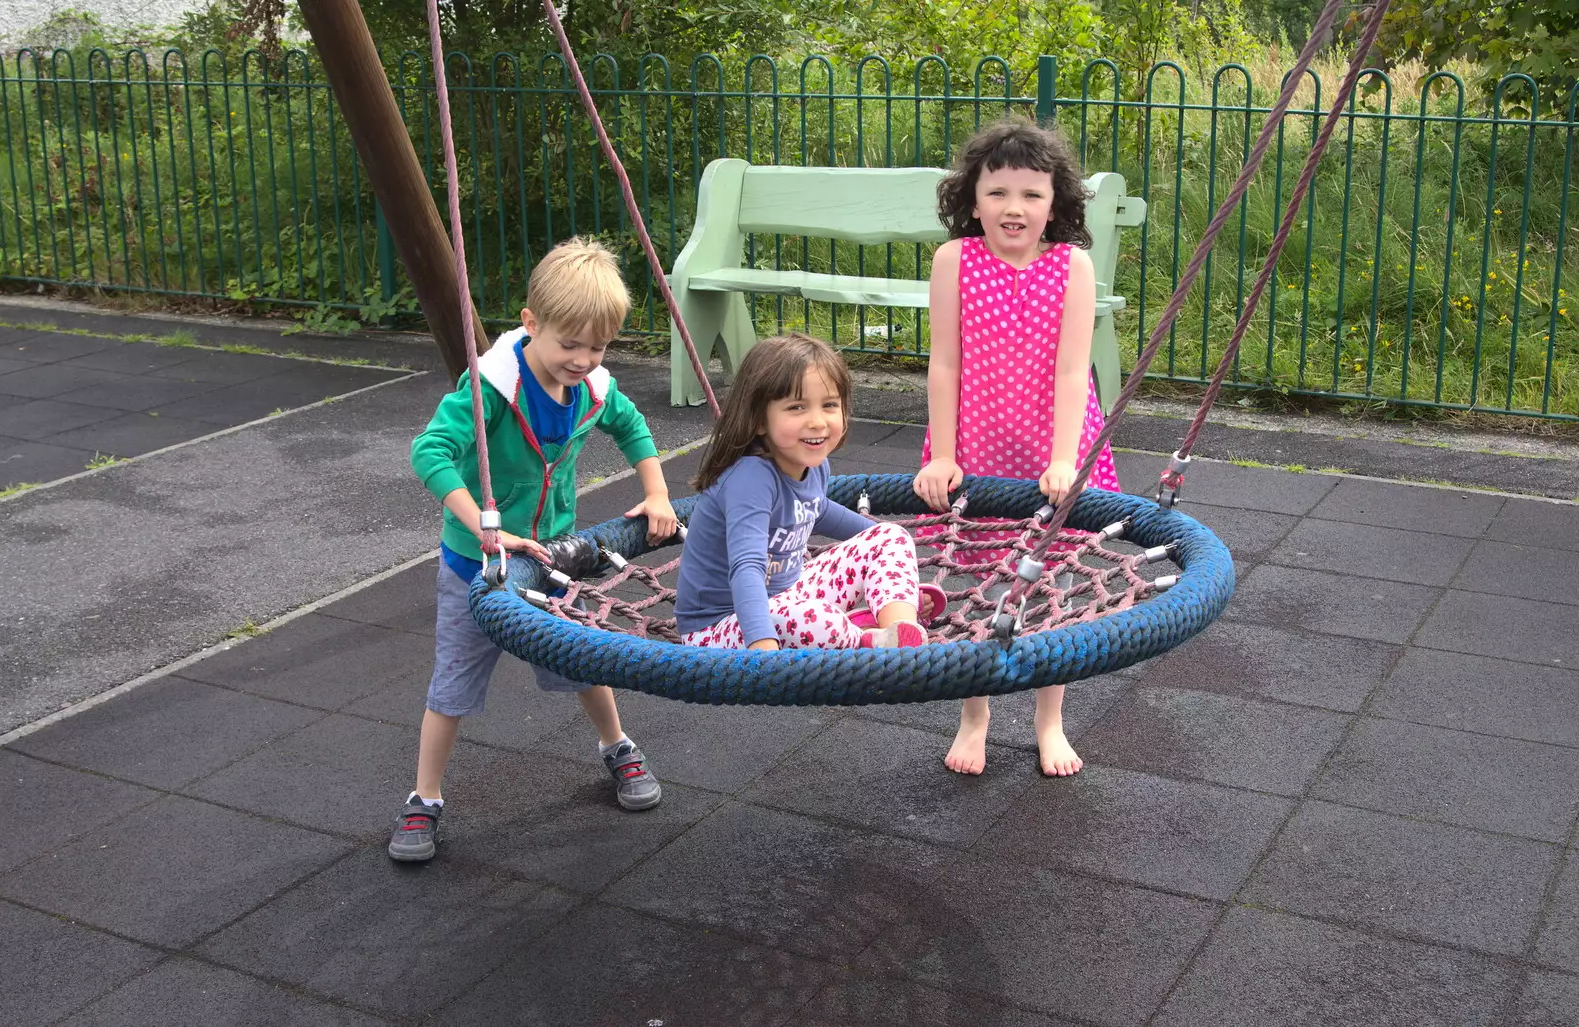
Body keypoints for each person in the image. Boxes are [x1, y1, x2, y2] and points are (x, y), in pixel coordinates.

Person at [389, 236, 679, 862]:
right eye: (569, 343)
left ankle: (618, 747)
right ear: (530, 324)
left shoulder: (592, 388)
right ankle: (425, 797)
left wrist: (656, 493)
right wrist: (483, 524)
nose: (582, 358)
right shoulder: (491, 386)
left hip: (551, 560)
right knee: (454, 684)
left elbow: (631, 426)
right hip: (479, 564)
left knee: (581, 661)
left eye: (597, 346)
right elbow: (429, 453)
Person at [912, 116, 1122, 779]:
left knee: (1051, 582)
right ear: (971, 200)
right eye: (998, 192)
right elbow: (944, 364)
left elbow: (1072, 371)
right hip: (974, 441)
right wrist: (942, 455)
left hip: (1050, 443)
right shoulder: (954, 260)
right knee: (978, 581)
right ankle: (975, 714)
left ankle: (1049, 717)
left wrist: (1064, 459)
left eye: (1032, 194)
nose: (1014, 208)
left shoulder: (1073, 265)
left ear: (1056, 202)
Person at [675, 332, 941, 652]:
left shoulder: (813, 464)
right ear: (759, 420)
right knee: (812, 619)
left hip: (789, 595)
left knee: (892, 536)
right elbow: (747, 568)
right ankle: (866, 638)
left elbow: (818, 509)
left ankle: (900, 625)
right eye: (797, 407)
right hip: (722, 625)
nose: (817, 421)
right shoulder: (750, 480)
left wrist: (887, 558)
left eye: (829, 405)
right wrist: (762, 645)